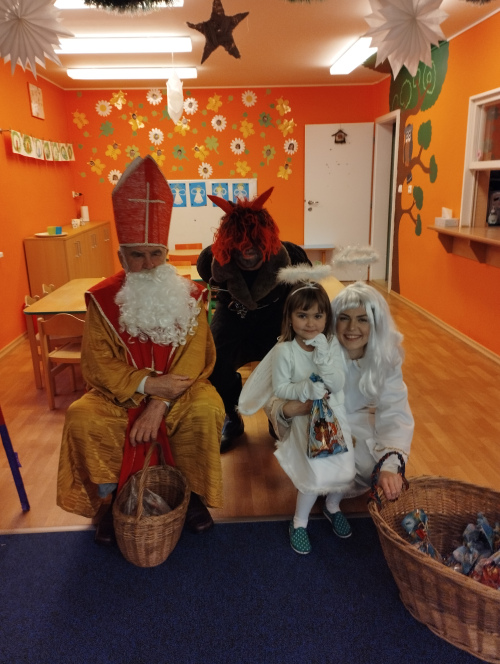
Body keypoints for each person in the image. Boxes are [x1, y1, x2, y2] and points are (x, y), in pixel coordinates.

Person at [57, 155, 224, 544]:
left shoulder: (191, 295)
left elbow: (194, 355)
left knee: (206, 408)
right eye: (137, 254)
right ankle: (112, 501)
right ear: (122, 257)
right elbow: (97, 361)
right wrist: (147, 386)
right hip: (121, 394)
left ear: (166, 254)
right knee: (82, 416)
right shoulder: (102, 300)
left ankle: (191, 496)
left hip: (178, 393)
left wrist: (159, 402)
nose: (148, 264)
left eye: (155, 253)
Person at [239, 281, 414, 516]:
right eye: (344, 318)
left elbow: (395, 411)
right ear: (333, 319)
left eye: (363, 319)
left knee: (370, 465)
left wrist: (390, 466)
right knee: (323, 460)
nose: (352, 328)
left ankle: (332, 498)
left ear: (376, 323)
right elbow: (272, 394)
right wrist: (292, 409)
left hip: (356, 422)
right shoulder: (310, 345)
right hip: (311, 421)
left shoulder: (385, 357)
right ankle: (313, 491)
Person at [196, 188, 311, 452]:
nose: (247, 250)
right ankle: (231, 414)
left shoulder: (292, 257)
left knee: (289, 360)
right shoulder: (210, 259)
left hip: (274, 316)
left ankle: (277, 413)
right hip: (232, 315)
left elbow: (307, 295)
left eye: (255, 243)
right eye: (239, 244)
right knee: (213, 359)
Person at [268, 267, 355, 554]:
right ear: (290, 317)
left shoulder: (331, 345)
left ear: (327, 318)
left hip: (336, 418)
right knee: (313, 474)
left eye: (318, 316)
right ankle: (299, 522)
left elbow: (338, 383)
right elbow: (281, 388)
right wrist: (305, 388)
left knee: (344, 469)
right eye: (302, 315)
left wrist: (324, 359)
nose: (310, 323)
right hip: (306, 421)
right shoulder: (284, 351)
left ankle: (332, 505)